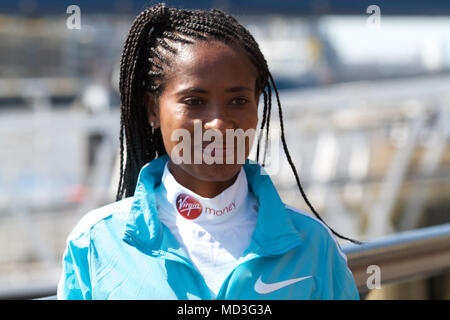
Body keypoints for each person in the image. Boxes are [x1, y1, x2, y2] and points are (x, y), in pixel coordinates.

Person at [57, 3, 360, 300]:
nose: (218, 123)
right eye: (194, 101)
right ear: (153, 110)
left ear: (257, 108)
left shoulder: (313, 247)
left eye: (239, 101)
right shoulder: (95, 243)